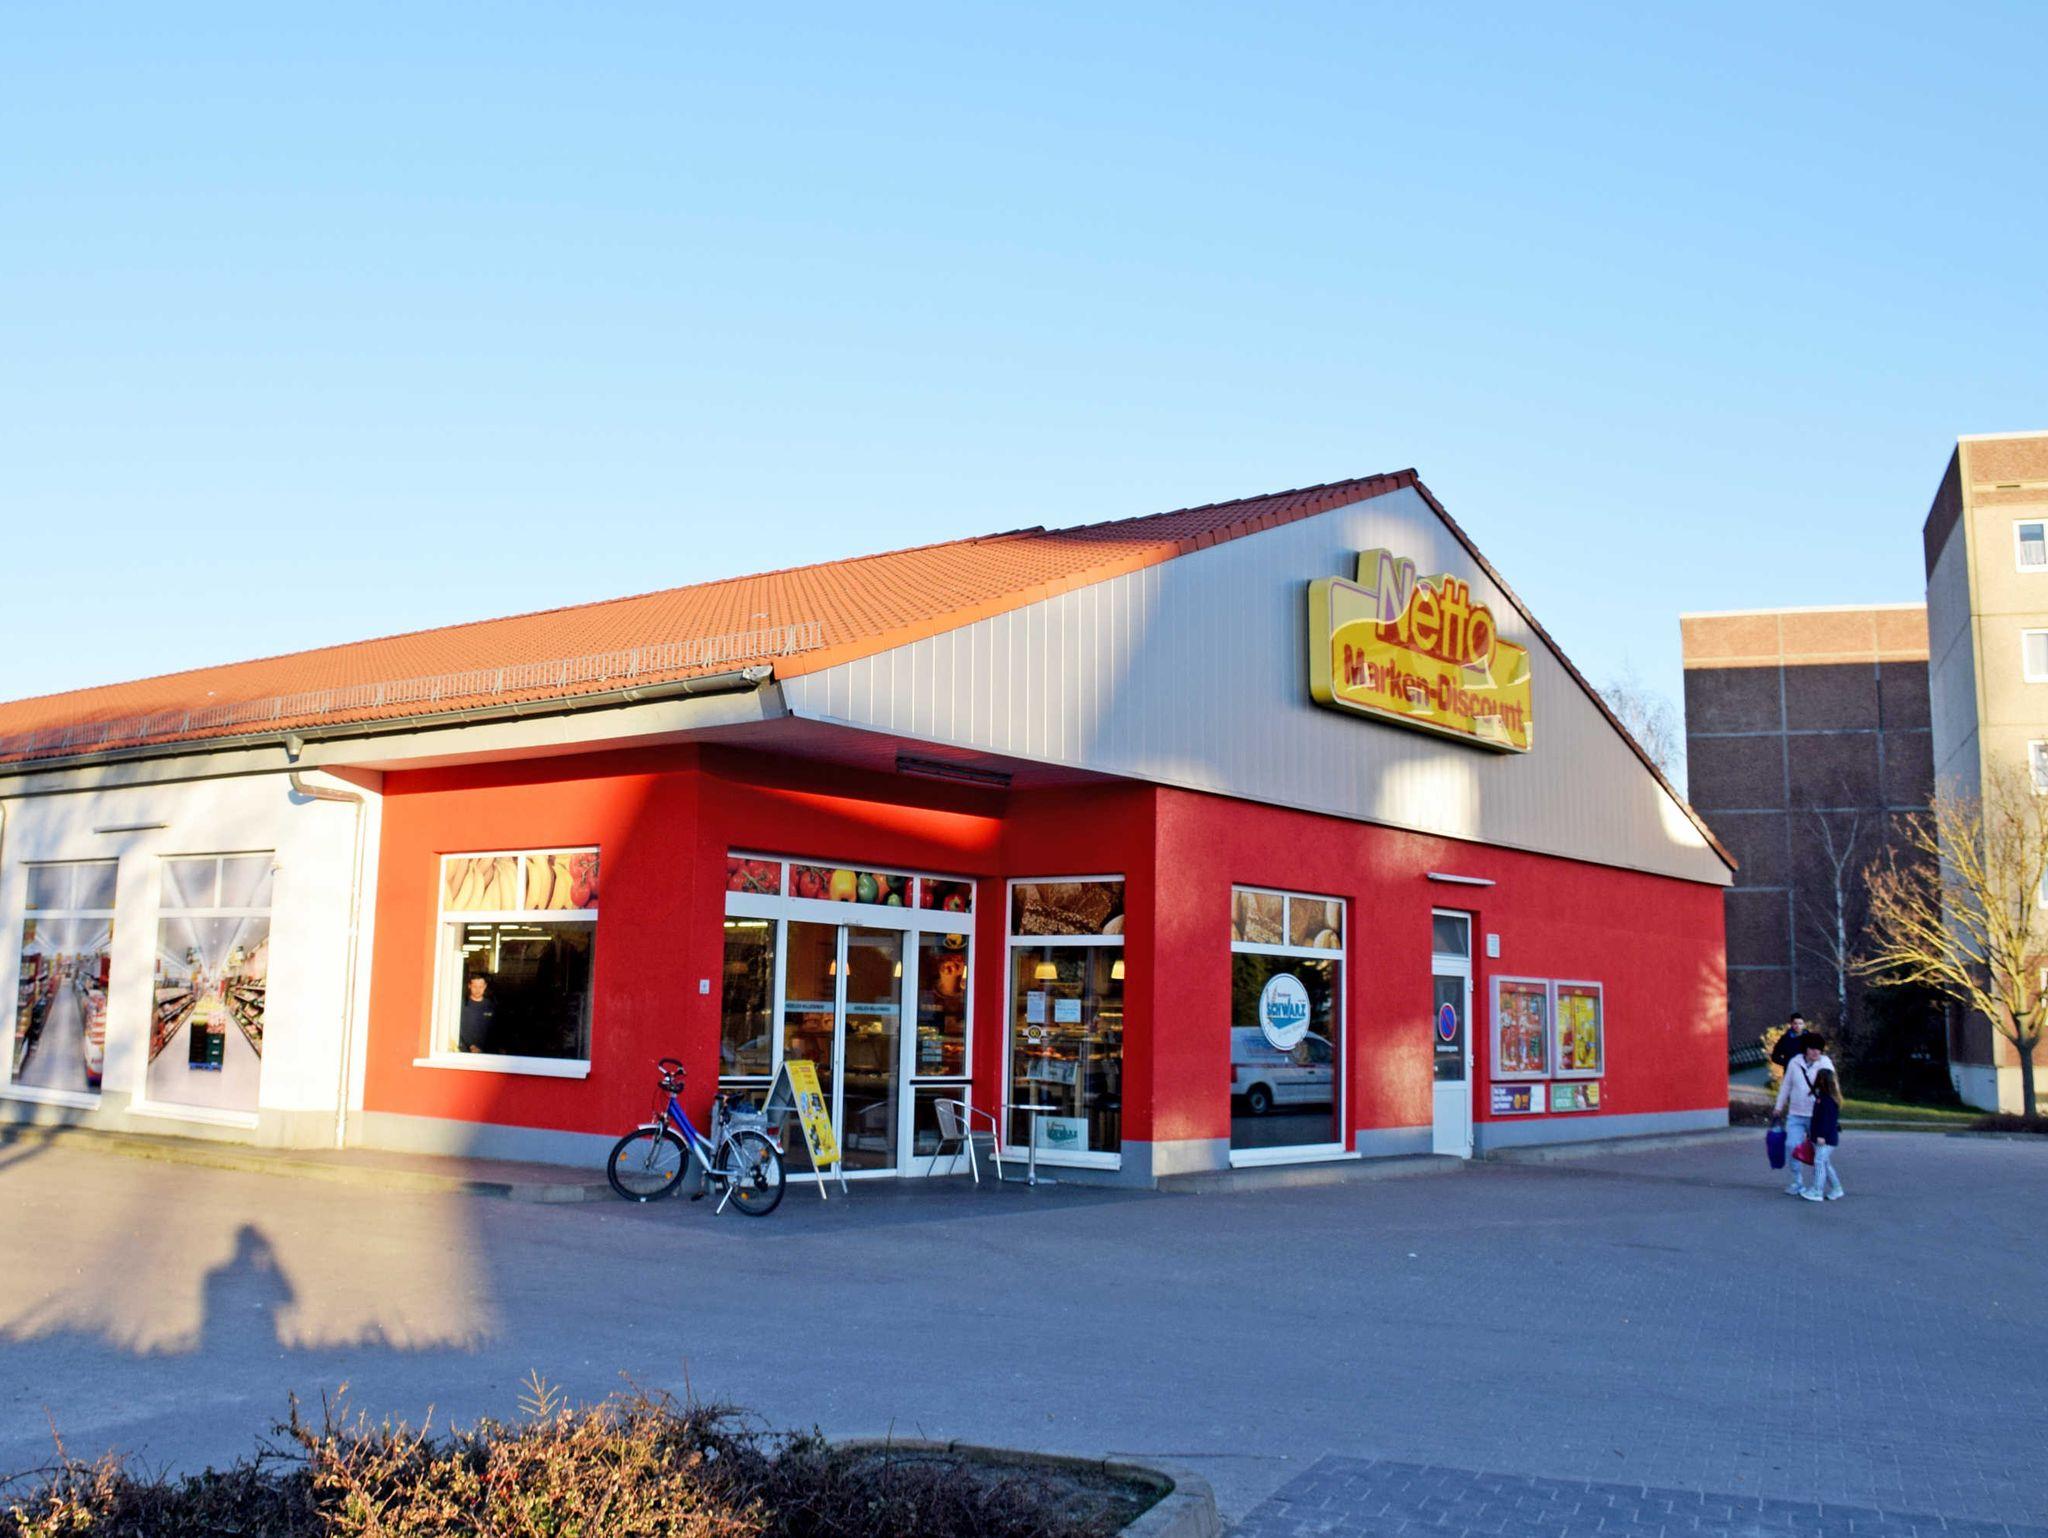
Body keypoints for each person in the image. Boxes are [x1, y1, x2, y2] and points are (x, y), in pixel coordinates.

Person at [1771, 1030, 1836, 1196]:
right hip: (1796, 1114)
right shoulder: (1795, 1062)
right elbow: (1786, 1086)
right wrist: (1779, 1106)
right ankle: (1797, 1182)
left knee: (1820, 1156)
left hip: (1816, 1116)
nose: (1815, 1052)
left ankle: (1834, 1187)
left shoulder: (1825, 1063)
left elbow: (1831, 1086)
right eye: (1812, 1048)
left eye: (1818, 1049)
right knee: (1791, 1146)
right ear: (1805, 1049)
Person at [1804, 1067, 1846, 1202]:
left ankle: (1817, 1190)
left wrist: (1821, 1135)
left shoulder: (1828, 1100)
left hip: (1825, 1138)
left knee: (1819, 1162)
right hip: (1822, 1136)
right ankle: (1836, 1188)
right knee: (1825, 1163)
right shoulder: (1823, 1097)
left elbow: (1827, 1120)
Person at [458, 974, 496, 1053]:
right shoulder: (462, 1005)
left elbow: (495, 1031)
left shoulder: (491, 1006)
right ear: (469, 986)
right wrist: (471, 1046)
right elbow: (460, 1028)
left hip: (487, 1052)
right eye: (474, 986)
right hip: (465, 1051)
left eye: (480, 987)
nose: (477, 990)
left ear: (485, 986)